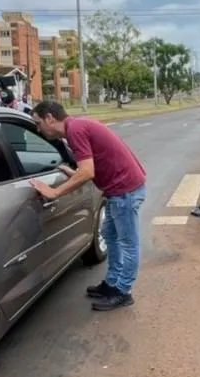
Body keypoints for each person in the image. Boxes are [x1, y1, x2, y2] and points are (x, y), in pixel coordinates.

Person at [30, 100, 147, 312]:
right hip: (119, 190)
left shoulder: (74, 130)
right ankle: (112, 283)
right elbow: (90, 167)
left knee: (128, 243)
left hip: (125, 191)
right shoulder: (78, 126)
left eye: (38, 123)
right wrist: (74, 174)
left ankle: (123, 291)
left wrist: (54, 192)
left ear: (50, 118)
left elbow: (88, 172)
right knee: (109, 235)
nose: (38, 129)